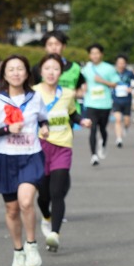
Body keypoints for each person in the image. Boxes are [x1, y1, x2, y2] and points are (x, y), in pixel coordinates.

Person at [0, 55, 49, 266]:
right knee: (11, 210)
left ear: (27, 73)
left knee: (26, 202)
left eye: (20, 69)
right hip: (5, 157)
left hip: (30, 155)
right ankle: (18, 250)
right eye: (11, 69)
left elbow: (43, 117)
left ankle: (31, 245)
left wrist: (45, 127)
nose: (16, 73)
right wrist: (7, 129)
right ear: (4, 74)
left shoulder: (35, 97)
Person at [33, 53, 91, 253]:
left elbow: (72, 113)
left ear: (61, 72)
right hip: (39, 147)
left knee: (57, 192)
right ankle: (46, 216)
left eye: (56, 69)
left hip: (63, 146)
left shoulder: (67, 93)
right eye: (47, 68)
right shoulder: (33, 93)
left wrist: (82, 120)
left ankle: (54, 234)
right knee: (43, 194)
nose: (51, 72)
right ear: (41, 71)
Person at [81, 43, 119, 166]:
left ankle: (103, 144)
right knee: (92, 129)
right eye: (92, 53)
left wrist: (102, 81)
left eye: (97, 53)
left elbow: (115, 84)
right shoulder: (85, 69)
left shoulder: (109, 68)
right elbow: (81, 83)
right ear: (89, 55)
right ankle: (94, 155)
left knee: (102, 128)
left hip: (105, 104)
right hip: (91, 103)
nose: (95, 55)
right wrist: (83, 87)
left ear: (101, 54)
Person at [111, 54, 134, 148]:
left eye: (123, 63)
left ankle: (126, 128)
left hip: (127, 100)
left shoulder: (129, 73)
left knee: (126, 121)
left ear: (125, 64)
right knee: (117, 119)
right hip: (116, 99)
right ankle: (119, 139)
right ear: (116, 63)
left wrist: (131, 88)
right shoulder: (113, 73)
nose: (121, 64)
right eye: (119, 63)